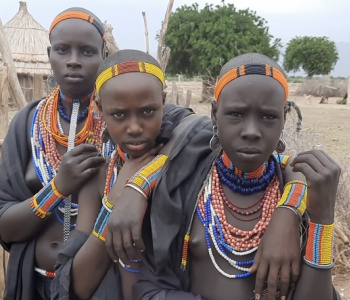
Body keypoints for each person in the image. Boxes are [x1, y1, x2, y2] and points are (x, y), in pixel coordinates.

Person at [130, 53, 341, 300]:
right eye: (236, 114)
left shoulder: (299, 195)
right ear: (214, 114)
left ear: (284, 118)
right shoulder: (181, 186)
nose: (251, 131)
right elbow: (147, 287)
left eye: (268, 117)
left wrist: (322, 219)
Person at [51, 49, 195, 300]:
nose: (135, 127)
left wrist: (140, 183)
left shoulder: (185, 166)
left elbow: (200, 126)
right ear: (100, 108)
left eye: (148, 111)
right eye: (119, 114)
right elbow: (79, 286)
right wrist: (114, 199)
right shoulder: (99, 177)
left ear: (163, 101)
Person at [0, 8, 111, 300]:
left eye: (87, 51)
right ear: (50, 54)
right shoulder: (27, 122)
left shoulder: (124, 121)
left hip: (102, 287)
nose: (73, 60)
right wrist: (58, 188)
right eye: (63, 50)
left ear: (103, 53)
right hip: (32, 283)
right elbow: (5, 227)